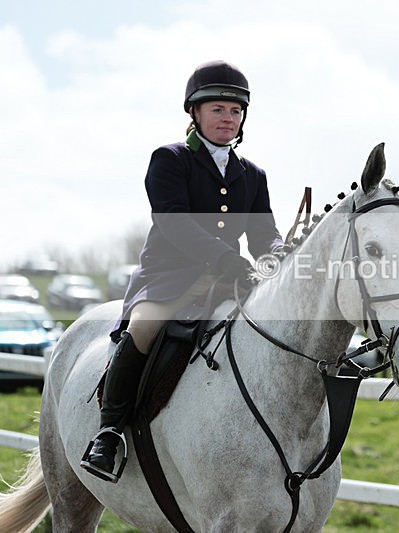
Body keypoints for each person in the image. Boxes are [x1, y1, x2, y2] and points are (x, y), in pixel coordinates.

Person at [80, 60, 284, 482]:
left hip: (229, 280)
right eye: (218, 110)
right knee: (145, 327)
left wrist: (282, 256)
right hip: (170, 276)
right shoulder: (170, 159)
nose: (228, 119)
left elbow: (264, 235)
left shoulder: (254, 175)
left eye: (235, 111)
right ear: (194, 113)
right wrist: (226, 257)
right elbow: (174, 221)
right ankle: (109, 432)